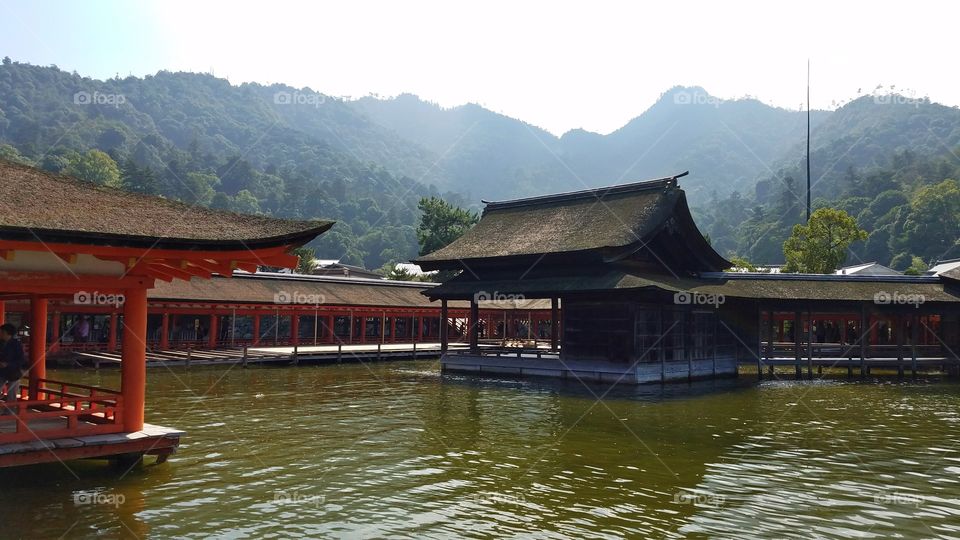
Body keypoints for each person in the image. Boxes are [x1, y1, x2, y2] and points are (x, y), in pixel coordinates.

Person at [0, 323, 25, 410]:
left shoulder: (16, 344)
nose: (0, 333)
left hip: (13, 371)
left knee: (11, 394)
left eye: (2, 332)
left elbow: (21, 360)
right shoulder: (1, 343)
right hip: (1, 371)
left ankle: (9, 412)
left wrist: (8, 364)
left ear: (8, 333)